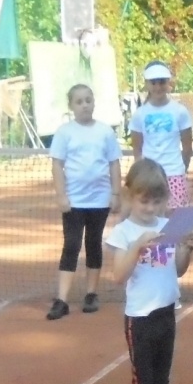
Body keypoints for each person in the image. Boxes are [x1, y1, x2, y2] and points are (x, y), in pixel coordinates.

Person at [106, 158, 193, 384]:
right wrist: (136, 247)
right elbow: (118, 276)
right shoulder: (123, 232)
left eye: (157, 200)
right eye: (144, 200)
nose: (150, 207)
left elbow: (177, 270)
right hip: (140, 318)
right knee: (142, 382)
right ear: (130, 196)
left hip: (166, 313)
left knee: (162, 382)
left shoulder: (168, 227)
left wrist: (187, 248)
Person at [48, 83, 123, 320]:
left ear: (94, 102)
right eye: (79, 102)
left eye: (88, 100)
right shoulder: (64, 132)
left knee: (93, 243)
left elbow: (114, 163)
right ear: (71, 106)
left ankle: (91, 294)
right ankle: (62, 299)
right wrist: (61, 195)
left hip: (99, 200)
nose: (84, 105)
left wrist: (115, 193)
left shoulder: (105, 132)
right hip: (74, 200)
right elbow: (57, 165)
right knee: (71, 245)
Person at [128, 61, 193, 209]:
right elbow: (137, 149)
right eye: (153, 82)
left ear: (168, 83)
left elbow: (187, 148)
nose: (158, 87)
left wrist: (180, 170)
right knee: (151, 217)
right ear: (146, 84)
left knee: (176, 222)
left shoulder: (180, 111)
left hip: (174, 173)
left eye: (162, 82)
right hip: (148, 176)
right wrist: (143, 172)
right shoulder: (139, 115)